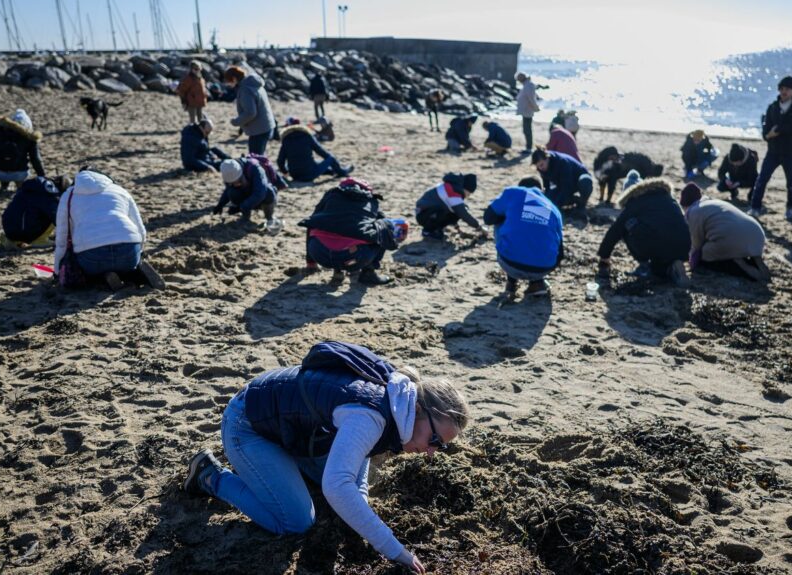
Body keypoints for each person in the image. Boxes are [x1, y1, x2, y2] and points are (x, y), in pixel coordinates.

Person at [183, 340, 470, 575]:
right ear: (419, 409)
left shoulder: (396, 402)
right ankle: (210, 476)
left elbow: (358, 466)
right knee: (296, 520)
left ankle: (281, 471)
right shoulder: (372, 415)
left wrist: (359, 512)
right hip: (246, 425)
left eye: (440, 447)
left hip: (288, 429)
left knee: (340, 485)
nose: (431, 452)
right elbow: (338, 486)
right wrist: (394, 550)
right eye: (434, 440)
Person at [53, 168, 164, 291]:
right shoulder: (120, 190)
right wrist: (139, 253)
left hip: (92, 256)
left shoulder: (68, 196)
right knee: (126, 264)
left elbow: (62, 237)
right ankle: (134, 272)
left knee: (85, 272)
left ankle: (103, 277)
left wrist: (57, 271)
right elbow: (140, 228)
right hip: (128, 250)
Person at [299, 178, 402, 286]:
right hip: (352, 257)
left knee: (320, 224)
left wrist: (310, 262)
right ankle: (368, 273)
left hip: (319, 253)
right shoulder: (371, 201)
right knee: (383, 227)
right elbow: (378, 232)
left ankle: (336, 271)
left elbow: (311, 222)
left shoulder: (331, 195)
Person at [596, 178, 691, 287]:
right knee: (660, 263)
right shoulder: (669, 199)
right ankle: (672, 266)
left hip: (658, 245)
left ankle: (644, 266)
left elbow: (615, 230)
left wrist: (604, 257)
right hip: (684, 246)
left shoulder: (636, 201)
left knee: (628, 224)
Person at [483, 176, 563, 299]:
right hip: (543, 268)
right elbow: (560, 250)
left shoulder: (514, 192)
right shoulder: (552, 207)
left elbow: (488, 218)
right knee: (540, 232)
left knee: (501, 219)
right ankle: (537, 283)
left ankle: (511, 283)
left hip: (509, 263)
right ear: (542, 190)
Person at [748, 75, 792, 221]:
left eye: (787, 89)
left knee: (791, 183)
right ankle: (755, 208)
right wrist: (768, 135)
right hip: (773, 151)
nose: (784, 91)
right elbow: (765, 131)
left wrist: (784, 129)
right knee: (761, 179)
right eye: (782, 89)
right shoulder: (772, 107)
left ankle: (790, 209)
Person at [679, 182, 770, 282]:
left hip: (733, 239)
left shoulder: (693, 211)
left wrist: (692, 262)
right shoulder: (713, 202)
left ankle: (741, 265)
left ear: (685, 205)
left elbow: (697, 245)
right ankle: (755, 258)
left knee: (705, 254)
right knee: (731, 242)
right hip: (757, 234)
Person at [0, 108, 46, 191]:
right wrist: (42, 176)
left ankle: (4, 185)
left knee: (2, 163)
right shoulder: (30, 138)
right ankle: (20, 187)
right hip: (19, 173)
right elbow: (35, 160)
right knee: (20, 169)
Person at [215, 157, 283, 234]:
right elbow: (228, 190)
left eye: (238, 182)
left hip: (262, 197)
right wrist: (221, 203)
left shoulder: (254, 168)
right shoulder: (228, 171)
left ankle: (269, 217)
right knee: (232, 192)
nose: (235, 184)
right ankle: (245, 217)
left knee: (269, 192)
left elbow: (260, 193)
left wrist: (244, 206)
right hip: (246, 195)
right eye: (232, 183)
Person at [0, 175, 68, 249]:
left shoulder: (31, 187)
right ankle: (39, 240)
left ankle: (12, 240)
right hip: (25, 232)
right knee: (57, 212)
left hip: (9, 229)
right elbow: (57, 218)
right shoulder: (50, 194)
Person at [276, 117, 353, 182]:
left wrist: (285, 172)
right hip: (309, 175)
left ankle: (332, 171)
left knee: (311, 163)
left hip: (295, 176)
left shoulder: (286, 139)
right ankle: (342, 172)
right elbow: (323, 153)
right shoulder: (307, 136)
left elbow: (280, 161)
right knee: (331, 158)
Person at [415, 172, 487, 241]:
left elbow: (454, 210)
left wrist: (457, 228)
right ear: (465, 189)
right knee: (458, 209)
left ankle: (437, 228)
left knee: (458, 208)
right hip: (423, 214)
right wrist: (479, 227)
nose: (468, 196)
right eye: (469, 193)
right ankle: (428, 231)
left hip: (427, 212)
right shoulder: (453, 192)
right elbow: (463, 214)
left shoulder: (452, 187)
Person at [225, 66, 275, 155]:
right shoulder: (253, 83)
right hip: (266, 125)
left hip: (259, 129)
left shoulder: (245, 89)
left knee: (255, 158)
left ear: (234, 78)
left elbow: (250, 113)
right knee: (260, 155)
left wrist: (236, 122)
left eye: (228, 81)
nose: (228, 84)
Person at [531, 147, 593, 220]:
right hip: (562, 182)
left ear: (547, 159)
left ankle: (582, 204)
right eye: (538, 166)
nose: (540, 168)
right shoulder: (542, 168)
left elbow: (567, 187)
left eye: (541, 165)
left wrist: (556, 205)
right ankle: (576, 200)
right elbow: (547, 186)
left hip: (578, 178)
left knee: (584, 183)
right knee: (551, 199)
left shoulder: (561, 162)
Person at [592, 147, 665, 206]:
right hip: (637, 163)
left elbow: (612, 183)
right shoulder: (598, 165)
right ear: (608, 157)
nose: (619, 157)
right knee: (602, 182)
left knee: (612, 182)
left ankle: (608, 200)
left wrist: (608, 201)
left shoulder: (613, 165)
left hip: (639, 166)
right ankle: (601, 198)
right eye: (616, 155)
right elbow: (601, 181)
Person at [515, 72, 539, 153]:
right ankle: (528, 147)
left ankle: (529, 147)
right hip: (526, 110)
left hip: (528, 110)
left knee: (527, 130)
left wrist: (536, 108)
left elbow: (531, 98)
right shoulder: (527, 85)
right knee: (526, 129)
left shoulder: (529, 85)